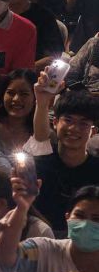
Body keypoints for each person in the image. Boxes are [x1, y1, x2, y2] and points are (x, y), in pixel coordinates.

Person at [31, 91, 99, 235]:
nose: (74, 128)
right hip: (40, 236)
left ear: (93, 131)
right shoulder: (40, 162)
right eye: (68, 120)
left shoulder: (96, 169)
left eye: (83, 123)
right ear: (55, 123)